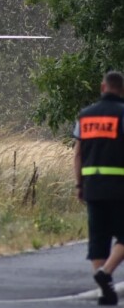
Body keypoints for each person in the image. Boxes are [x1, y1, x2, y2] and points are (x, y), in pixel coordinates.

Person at [73, 71, 124, 306]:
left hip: (92, 187)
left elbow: (77, 154)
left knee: (98, 239)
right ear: (121, 89)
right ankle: (105, 274)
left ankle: (105, 292)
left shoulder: (85, 116)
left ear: (103, 87)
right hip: (119, 187)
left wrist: (79, 185)